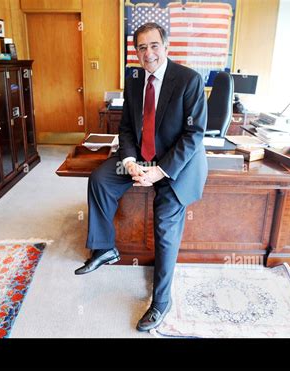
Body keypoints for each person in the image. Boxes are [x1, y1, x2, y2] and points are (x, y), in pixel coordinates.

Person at [75, 22, 208, 331]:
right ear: (135, 52)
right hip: (142, 158)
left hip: (176, 164)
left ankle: (162, 301)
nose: (148, 53)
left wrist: (159, 171)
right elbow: (126, 127)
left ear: (166, 46)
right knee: (101, 180)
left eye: (154, 46)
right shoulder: (134, 79)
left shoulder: (189, 80)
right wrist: (132, 162)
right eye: (141, 47)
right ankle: (105, 248)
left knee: (164, 222)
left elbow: (194, 134)